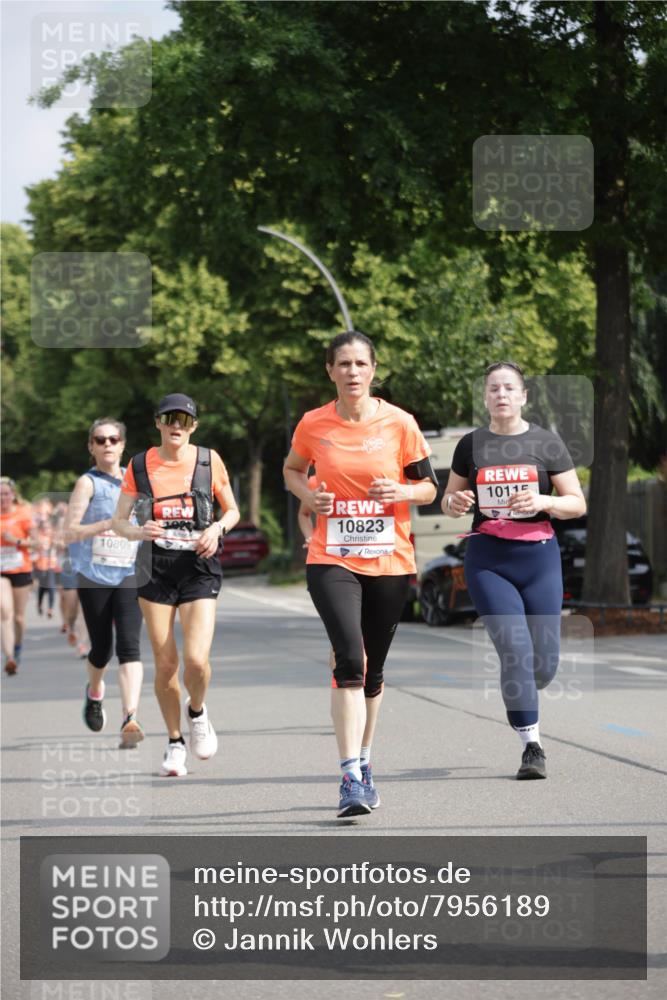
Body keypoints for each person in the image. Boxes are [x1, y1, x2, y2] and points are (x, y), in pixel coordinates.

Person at [284, 332, 437, 818]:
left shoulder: (400, 423)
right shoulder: (313, 424)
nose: (352, 372)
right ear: (329, 370)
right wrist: (308, 497)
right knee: (349, 659)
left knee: (373, 670)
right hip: (332, 556)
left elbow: (429, 488)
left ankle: (366, 760)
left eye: (360, 363)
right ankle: (350, 775)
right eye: (342, 364)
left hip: (390, 558)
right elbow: (291, 470)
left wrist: (400, 492)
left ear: (374, 370)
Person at [443, 361, 586, 779]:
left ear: (524, 396)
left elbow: (577, 502)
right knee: (515, 651)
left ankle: (525, 684)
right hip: (488, 559)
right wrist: (454, 504)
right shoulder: (470, 445)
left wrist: (546, 503)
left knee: (544, 664)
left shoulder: (547, 442)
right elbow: (449, 500)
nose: (501, 395)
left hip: (539, 558)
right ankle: (532, 746)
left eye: (509, 388)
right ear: (485, 398)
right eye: (493, 389)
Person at [112, 393, 240, 777]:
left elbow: (232, 510)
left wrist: (216, 528)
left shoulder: (208, 460)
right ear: (158, 423)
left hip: (199, 565)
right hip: (155, 567)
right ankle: (174, 741)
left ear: (193, 427)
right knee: (166, 663)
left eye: (184, 420)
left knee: (197, 660)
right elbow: (119, 521)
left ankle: (196, 712)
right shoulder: (139, 464)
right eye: (170, 419)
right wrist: (139, 530)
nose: (177, 426)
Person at [65, 419, 145, 747]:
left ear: (123, 444)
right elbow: (70, 532)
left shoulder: (136, 481)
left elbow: (144, 524)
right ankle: (95, 692)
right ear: (92, 447)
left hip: (129, 573)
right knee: (102, 648)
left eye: (114, 439)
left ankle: (130, 717)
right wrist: (107, 524)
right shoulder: (88, 483)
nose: (107, 444)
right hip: (94, 575)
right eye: (101, 440)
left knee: (130, 646)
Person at [0, 477, 34, 675]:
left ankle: (18, 647)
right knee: (5, 611)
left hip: (20, 569)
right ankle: (9, 656)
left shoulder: (24, 514)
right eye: (0, 495)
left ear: (13, 495)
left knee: (19, 618)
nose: (3, 498)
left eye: (6, 494)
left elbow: (36, 542)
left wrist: (16, 540)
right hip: (1, 571)